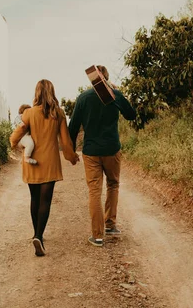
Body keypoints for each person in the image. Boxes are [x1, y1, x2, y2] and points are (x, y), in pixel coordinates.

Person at [68, 65, 136, 247]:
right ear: (106, 77)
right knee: (113, 185)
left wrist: (71, 151)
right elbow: (131, 115)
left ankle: (97, 236)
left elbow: (72, 128)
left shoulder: (83, 98)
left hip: (91, 152)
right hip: (112, 149)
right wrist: (118, 93)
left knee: (94, 191)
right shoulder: (114, 95)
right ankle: (110, 225)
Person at [10, 79, 79, 256]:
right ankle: (38, 236)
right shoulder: (59, 114)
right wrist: (72, 157)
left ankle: (36, 235)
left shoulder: (28, 114)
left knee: (34, 198)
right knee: (45, 201)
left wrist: (15, 144)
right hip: (50, 162)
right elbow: (65, 141)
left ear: (37, 93)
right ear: (52, 92)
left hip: (31, 161)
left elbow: (15, 136)